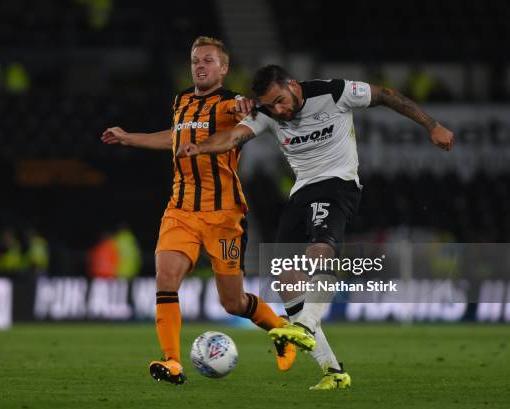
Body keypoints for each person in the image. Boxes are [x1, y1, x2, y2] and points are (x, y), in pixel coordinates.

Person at [178, 64, 454, 389]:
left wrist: (432, 126)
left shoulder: (333, 92)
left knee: (320, 248)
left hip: (338, 183)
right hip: (301, 191)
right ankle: (334, 372)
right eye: (271, 106)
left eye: (281, 100)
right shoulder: (267, 112)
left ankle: (306, 325)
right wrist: (202, 147)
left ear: (292, 85)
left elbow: (386, 95)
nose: (279, 110)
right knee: (284, 276)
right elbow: (234, 136)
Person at [101, 37, 296, 385]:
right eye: (195, 61)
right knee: (166, 279)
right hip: (181, 210)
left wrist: (244, 106)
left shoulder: (228, 103)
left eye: (208, 60)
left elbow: (242, 110)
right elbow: (175, 138)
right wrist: (130, 137)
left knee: (233, 303)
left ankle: (280, 328)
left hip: (224, 215)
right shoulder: (182, 101)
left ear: (223, 68)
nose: (200, 66)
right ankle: (172, 362)